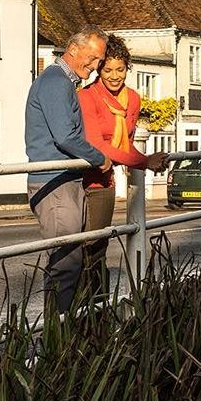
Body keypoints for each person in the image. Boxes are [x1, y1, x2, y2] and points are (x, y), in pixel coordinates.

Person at [25, 25, 112, 312]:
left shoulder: (61, 81)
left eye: (99, 60)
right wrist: (98, 157)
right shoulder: (56, 82)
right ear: (73, 49)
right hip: (55, 183)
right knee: (66, 263)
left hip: (64, 181)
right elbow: (65, 136)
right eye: (94, 58)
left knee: (72, 260)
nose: (96, 66)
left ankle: (66, 332)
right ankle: (58, 339)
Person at [78, 35, 169, 295]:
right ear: (98, 69)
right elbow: (98, 145)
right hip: (80, 180)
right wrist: (144, 162)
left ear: (128, 67)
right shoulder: (88, 97)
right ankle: (75, 313)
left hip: (104, 181)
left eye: (120, 69)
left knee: (97, 247)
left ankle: (98, 309)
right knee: (79, 250)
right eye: (107, 70)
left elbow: (124, 144)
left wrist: (148, 159)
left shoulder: (133, 99)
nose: (115, 76)